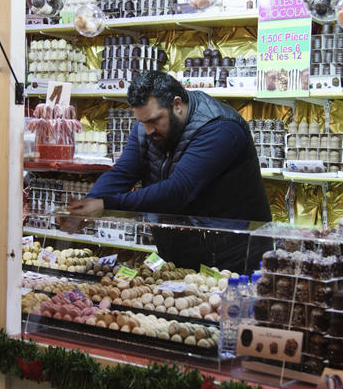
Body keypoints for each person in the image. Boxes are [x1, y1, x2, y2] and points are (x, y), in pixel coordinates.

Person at [65, 71, 272, 273]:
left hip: (233, 258)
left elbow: (178, 191)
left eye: (154, 120)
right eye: (142, 122)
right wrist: (88, 205)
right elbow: (122, 173)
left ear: (177, 104)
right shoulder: (148, 129)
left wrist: (105, 205)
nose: (148, 130)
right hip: (181, 254)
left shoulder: (220, 128)